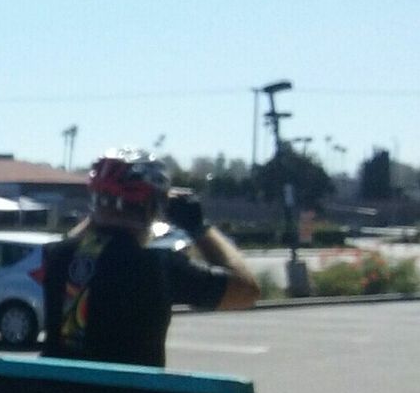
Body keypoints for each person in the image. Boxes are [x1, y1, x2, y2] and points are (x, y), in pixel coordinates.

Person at [41, 149, 260, 367]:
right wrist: (199, 228)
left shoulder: (58, 257)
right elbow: (246, 292)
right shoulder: (158, 266)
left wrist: (104, 203)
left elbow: (74, 239)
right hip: (132, 389)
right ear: (153, 207)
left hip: (59, 388)